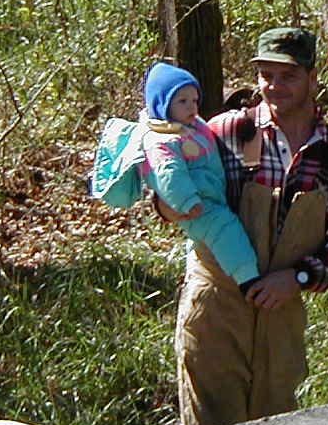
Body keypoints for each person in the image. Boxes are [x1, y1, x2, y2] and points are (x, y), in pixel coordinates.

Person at [159, 27, 328, 425]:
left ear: (313, 79)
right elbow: (166, 177)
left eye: (288, 76)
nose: (275, 86)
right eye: (266, 75)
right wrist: (165, 205)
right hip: (216, 304)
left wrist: (300, 276)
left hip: (282, 308)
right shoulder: (224, 132)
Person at [91, 62, 260, 291]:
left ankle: (215, 278)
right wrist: (187, 201)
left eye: (195, 100)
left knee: (210, 239)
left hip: (210, 196)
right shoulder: (161, 141)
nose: (192, 107)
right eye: (182, 101)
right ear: (163, 105)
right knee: (225, 230)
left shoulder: (191, 126)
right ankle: (248, 279)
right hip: (196, 203)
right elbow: (169, 175)